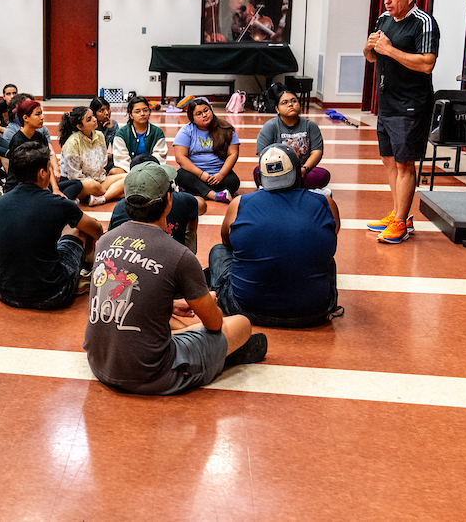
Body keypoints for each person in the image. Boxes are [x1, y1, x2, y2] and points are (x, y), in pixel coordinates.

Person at [83, 161, 267, 396]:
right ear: (169, 200)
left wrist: (169, 304)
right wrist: (206, 304)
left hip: (100, 363)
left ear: (125, 200)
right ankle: (219, 359)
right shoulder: (179, 254)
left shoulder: (106, 240)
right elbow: (215, 324)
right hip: (152, 372)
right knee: (240, 324)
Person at [208, 144, 342, 328]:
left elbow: (227, 242)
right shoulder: (326, 203)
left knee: (218, 251)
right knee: (325, 257)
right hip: (314, 312)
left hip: (246, 310)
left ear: (261, 176)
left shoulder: (239, 204)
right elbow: (333, 234)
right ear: (297, 172)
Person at [364, 0, 439, 244]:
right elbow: (372, 57)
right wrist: (370, 48)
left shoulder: (424, 22)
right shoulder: (383, 20)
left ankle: (401, 224)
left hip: (411, 104)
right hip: (386, 102)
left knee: (404, 163)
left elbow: (426, 63)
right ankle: (399, 213)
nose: (387, 0)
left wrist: (388, 49)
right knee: (388, 159)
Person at [0, 142, 104, 310]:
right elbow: (96, 230)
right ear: (42, 173)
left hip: (6, 292)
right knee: (80, 229)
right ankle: (85, 271)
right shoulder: (59, 204)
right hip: (53, 293)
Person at [110, 154, 205, 254]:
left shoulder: (120, 207)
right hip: (175, 256)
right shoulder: (183, 200)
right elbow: (201, 208)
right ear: (168, 199)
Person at [254, 89, 330, 191]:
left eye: (294, 101)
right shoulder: (270, 126)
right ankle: (300, 189)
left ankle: (278, 188)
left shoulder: (310, 126)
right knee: (258, 171)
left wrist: (304, 169)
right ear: (277, 109)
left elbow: (317, 152)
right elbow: (263, 153)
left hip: (302, 170)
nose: (290, 104)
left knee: (322, 175)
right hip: (278, 170)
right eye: (285, 103)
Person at [5, 99, 81, 200]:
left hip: (41, 182)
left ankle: (59, 201)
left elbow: (47, 163)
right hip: (21, 186)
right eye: (38, 114)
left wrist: (55, 189)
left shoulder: (40, 137)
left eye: (41, 114)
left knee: (77, 184)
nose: (42, 117)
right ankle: (57, 202)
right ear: (25, 118)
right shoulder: (17, 140)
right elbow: (20, 175)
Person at [172, 97, 240, 203]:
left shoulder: (225, 129)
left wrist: (221, 174)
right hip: (195, 174)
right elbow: (180, 158)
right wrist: (201, 174)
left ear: (211, 110)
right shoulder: (186, 131)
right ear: (192, 118)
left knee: (233, 182)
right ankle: (215, 195)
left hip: (218, 174)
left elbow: (233, 154)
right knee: (181, 176)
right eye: (199, 114)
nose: (204, 115)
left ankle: (194, 190)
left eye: (206, 110)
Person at [58, 106, 126, 206]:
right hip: (81, 185)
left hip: (99, 180)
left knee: (129, 177)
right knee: (92, 184)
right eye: (89, 119)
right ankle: (113, 193)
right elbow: (74, 176)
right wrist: (95, 185)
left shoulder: (99, 135)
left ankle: (101, 198)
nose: (94, 119)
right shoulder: (72, 142)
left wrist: (100, 183)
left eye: (93, 116)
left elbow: (103, 163)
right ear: (79, 126)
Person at [113, 96, 168, 171]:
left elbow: (159, 158)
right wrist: (135, 173)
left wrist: (147, 172)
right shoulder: (122, 133)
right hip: (129, 171)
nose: (142, 114)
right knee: (115, 171)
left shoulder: (157, 133)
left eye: (145, 110)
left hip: (151, 171)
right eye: (137, 111)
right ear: (131, 115)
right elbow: (122, 160)